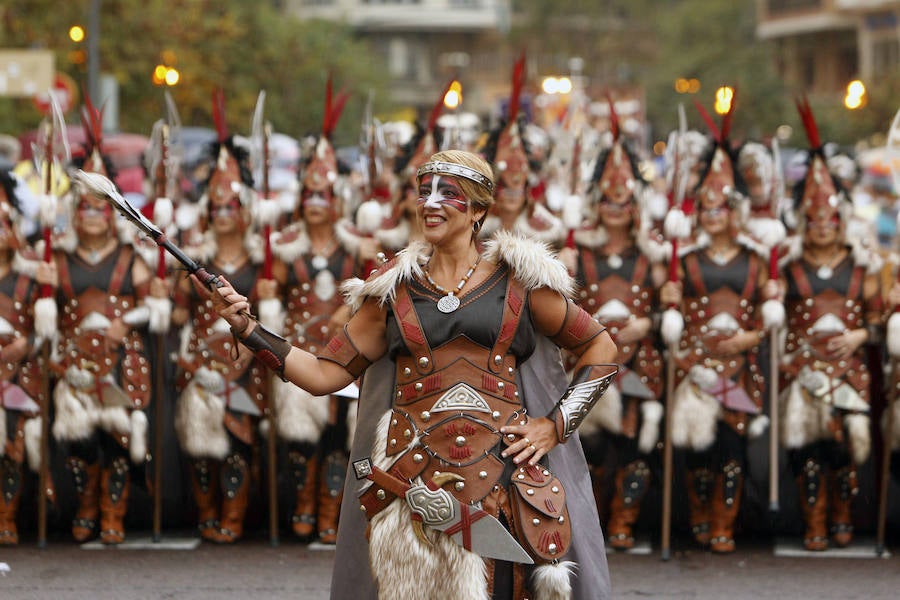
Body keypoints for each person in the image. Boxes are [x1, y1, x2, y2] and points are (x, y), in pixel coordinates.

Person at [196, 150, 617, 599]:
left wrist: (555, 426)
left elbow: (602, 347)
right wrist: (248, 328)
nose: (430, 203)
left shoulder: (520, 283)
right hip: (413, 490)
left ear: (478, 210)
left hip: (505, 489)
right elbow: (323, 374)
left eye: (448, 194)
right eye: (423, 192)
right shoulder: (390, 292)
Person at [39, 102, 164, 545]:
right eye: (84, 209)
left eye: (99, 209)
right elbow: (43, 312)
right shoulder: (56, 257)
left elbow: (155, 306)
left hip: (120, 357)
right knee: (79, 444)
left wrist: (125, 321)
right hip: (74, 360)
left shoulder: (132, 257)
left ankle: (113, 512)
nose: (92, 216)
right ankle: (86, 509)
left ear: (112, 212)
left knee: (116, 441)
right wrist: (43, 294)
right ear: (74, 212)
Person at [659, 102, 770, 554]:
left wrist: (754, 335)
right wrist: (668, 302)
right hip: (695, 362)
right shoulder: (683, 259)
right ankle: (702, 518)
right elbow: (673, 307)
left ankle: (725, 521)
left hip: (738, 364)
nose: (712, 214)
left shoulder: (757, 259)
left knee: (732, 444)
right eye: (705, 207)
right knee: (698, 448)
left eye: (721, 207)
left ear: (735, 210)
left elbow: (768, 311)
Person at [172, 94, 280, 544]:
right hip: (200, 358)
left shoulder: (262, 260)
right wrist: (164, 299)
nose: (221, 215)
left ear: (244, 211)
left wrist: (273, 299)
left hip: (246, 359)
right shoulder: (195, 258)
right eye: (214, 208)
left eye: (228, 208)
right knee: (201, 445)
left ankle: (234, 518)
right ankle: (207, 513)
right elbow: (180, 312)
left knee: (238, 444)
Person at [557, 110, 665, 551]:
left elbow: (671, 308)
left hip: (639, 362)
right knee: (592, 447)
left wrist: (653, 321)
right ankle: (593, 519)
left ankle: (624, 518)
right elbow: (559, 308)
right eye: (608, 200)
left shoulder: (652, 256)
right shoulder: (576, 252)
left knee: (636, 445)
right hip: (588, 362)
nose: (616, 208)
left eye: (624, 202)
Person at [777, 99, 881, 551]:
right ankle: (814, 521)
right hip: (803, 367)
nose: (822, 227)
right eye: (814, 220)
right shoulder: (788, 265)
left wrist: (861, 334)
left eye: (830, 220)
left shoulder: (864, 266)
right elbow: (772, 308)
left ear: (842, 222)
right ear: (805, 221)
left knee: (844, 448)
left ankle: (842, 518)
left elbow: (878, 316)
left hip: (849, 369)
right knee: (807, 452)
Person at [268, 92, 357, 543]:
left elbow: (372, 288)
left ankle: (331, 510)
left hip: (343, 351)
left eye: (324, 195)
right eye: (310, 195)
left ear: (336, 199)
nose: (316, 202)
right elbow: (274, 294)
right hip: (302, 346)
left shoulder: (355, 245)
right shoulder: (286, 247)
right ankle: (303, 504)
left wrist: (351, 307)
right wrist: (267, 301)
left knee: (338, 437)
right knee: (301, 439)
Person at [0, 169, 47, 545]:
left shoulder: (30, 278)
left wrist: (25, 345)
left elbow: (45, 331)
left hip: (16, 374)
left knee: (12, 446)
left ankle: (6, 518)